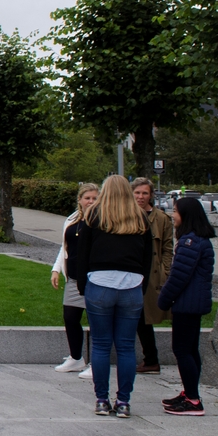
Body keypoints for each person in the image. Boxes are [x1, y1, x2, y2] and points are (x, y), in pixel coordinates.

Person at [71, 175, 152, 418]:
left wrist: (84, 285)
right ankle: (124, 401)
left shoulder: (94, 217)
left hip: (100, 282)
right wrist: (142, 285)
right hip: (132, 284)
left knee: (102, 344)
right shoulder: (140, 218)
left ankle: (102, 399)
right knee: (126, 346)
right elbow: (148, 257)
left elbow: (82, 255)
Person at [158, 198, 216, 416]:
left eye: (175, 211)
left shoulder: (189, 242)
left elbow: (178, 277)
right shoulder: (200, 240)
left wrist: (164, 300)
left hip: (187, 305)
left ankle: (192, 400)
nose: (173, 215)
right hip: (195, 303)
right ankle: (190, 392)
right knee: (190, 349)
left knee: (182, 350)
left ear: (186, 215)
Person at [51, 183, 99, 377]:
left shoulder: (101, 220)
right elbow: (65, 247)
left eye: (95, 198)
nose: (91, 201)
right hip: (73, 277)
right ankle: (76, 358)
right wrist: (56, 269)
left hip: (94, 278)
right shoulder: (72, 220)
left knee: (96, 321)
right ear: (80, 199)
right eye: (87, 198)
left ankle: (97, 363)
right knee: (70, 318)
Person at [131, 177, 174, 374]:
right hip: (130, 272)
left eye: (145, 193)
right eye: (137, 193)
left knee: (145, 317)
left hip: (151, 276)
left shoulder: (162, 219)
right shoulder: (126, 215)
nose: (141, 197)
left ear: (151, 195)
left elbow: (167, 248)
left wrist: (165, 271)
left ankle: (151, 359)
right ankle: (148, 358)